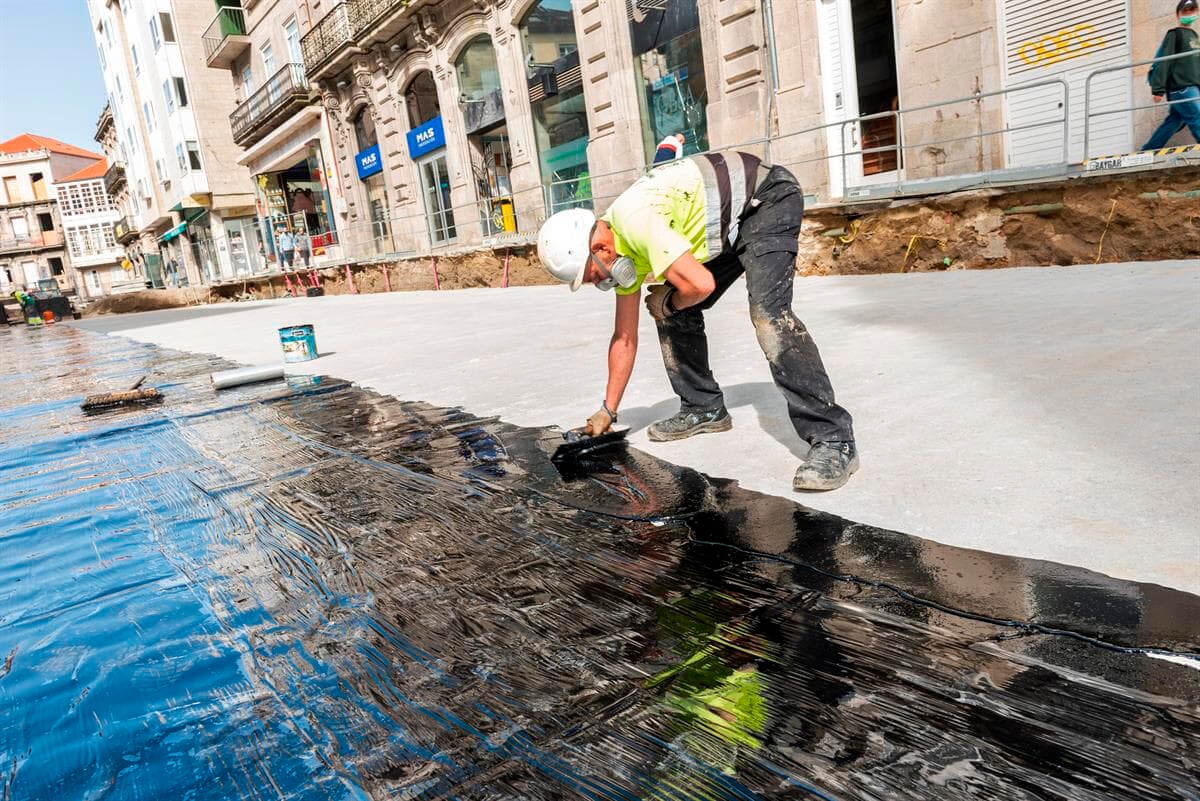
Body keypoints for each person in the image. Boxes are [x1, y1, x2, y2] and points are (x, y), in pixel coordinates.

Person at [536, 152, 859, 491]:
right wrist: (607, 410)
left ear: (601, 249)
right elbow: (624, 337)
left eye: (591, 278)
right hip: (728, 223)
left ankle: (835, 440)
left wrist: (671, 302)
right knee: (668, 303)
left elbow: (701, 285)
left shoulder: (636, 222)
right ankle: (703, 407)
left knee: (768, 315)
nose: (598, 284)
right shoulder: (620, 248)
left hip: (766, 199)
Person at [1143, 0, 1200, 150]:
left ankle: (1148, 150)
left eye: (1192, 11)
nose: (1189, 15)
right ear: (1178, 14)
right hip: (1181, 88)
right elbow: (1164, 61)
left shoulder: (1194, 36)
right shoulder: (1174, 34)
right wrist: (1158, 88)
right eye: (1185, 12)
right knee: (1197, 116)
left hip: (1192, 86)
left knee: (1174, 121)